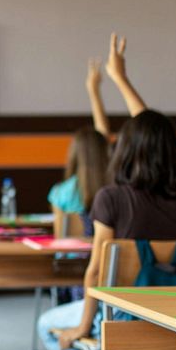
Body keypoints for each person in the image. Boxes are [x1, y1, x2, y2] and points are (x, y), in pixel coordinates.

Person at [38, 34, 176, 350]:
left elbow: (95, 272)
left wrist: (84, 325)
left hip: (120, 315)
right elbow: (154, 133)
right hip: (169, 315)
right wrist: (120, 80)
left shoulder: (111, 197)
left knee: (48, 325)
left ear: (123, 150)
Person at [47, 60, 111, 238]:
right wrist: (94, 91)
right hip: (107, 263)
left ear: (74, 154)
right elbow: (103, 137)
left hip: (70, 263)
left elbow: (60, 239)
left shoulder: (60, 193)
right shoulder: (113, 188)